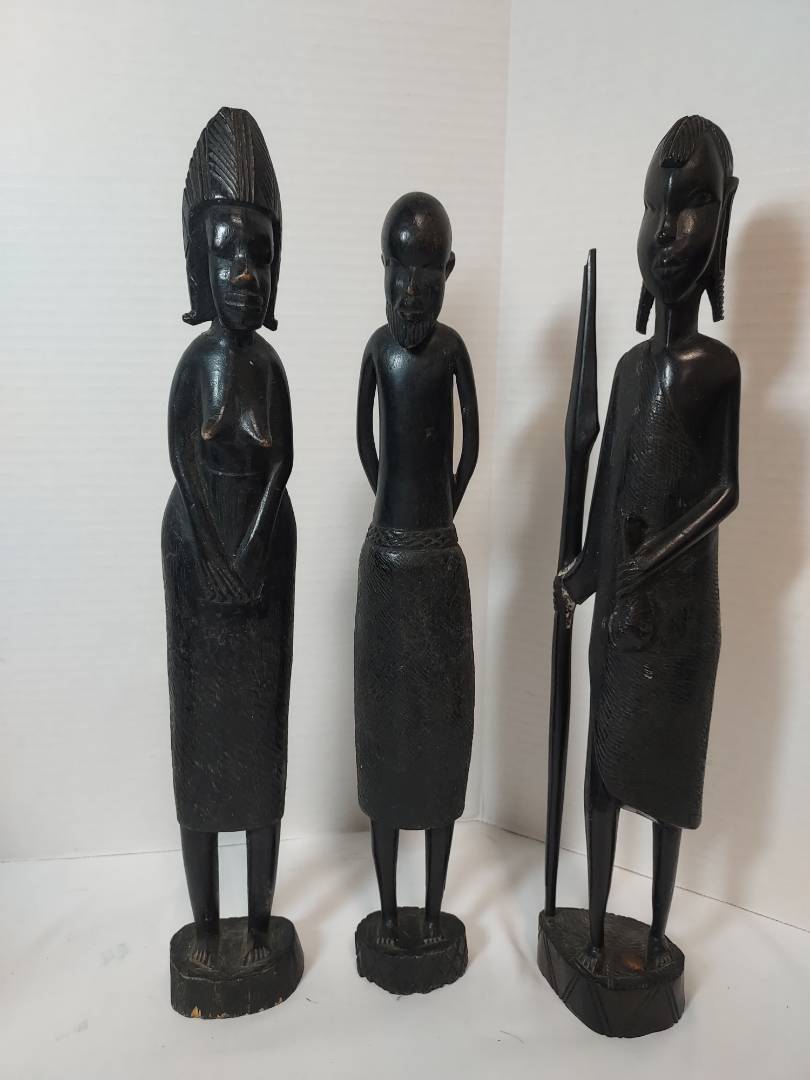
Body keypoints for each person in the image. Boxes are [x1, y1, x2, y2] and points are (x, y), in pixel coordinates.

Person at [558, 116, 740, 972]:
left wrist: (656, 556)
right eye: (654, 209)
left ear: (722, 219)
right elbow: (605, 497)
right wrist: (584, 576)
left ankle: (658, 932)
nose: (667, 232)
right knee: (601, 772)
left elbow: (727, 490)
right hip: (619, 617)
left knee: (664, 785)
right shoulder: (630, 372)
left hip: (678, 619)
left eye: (691, 207)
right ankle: (594, 929)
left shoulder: (716, 370)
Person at [355, 192, 479, 946]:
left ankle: (432, 910)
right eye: (399, 274)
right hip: (388, 556)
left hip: (436, 562)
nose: (411, 294)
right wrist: (392, 503)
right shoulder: (380, 350)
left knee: (440, 735)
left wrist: (439, 509)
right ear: (384, 268)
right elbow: (365, 443)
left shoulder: (452, 351)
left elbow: (470, 449)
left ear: (448, 272)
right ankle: (387, 907)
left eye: (427, 278)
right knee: (382, 738)